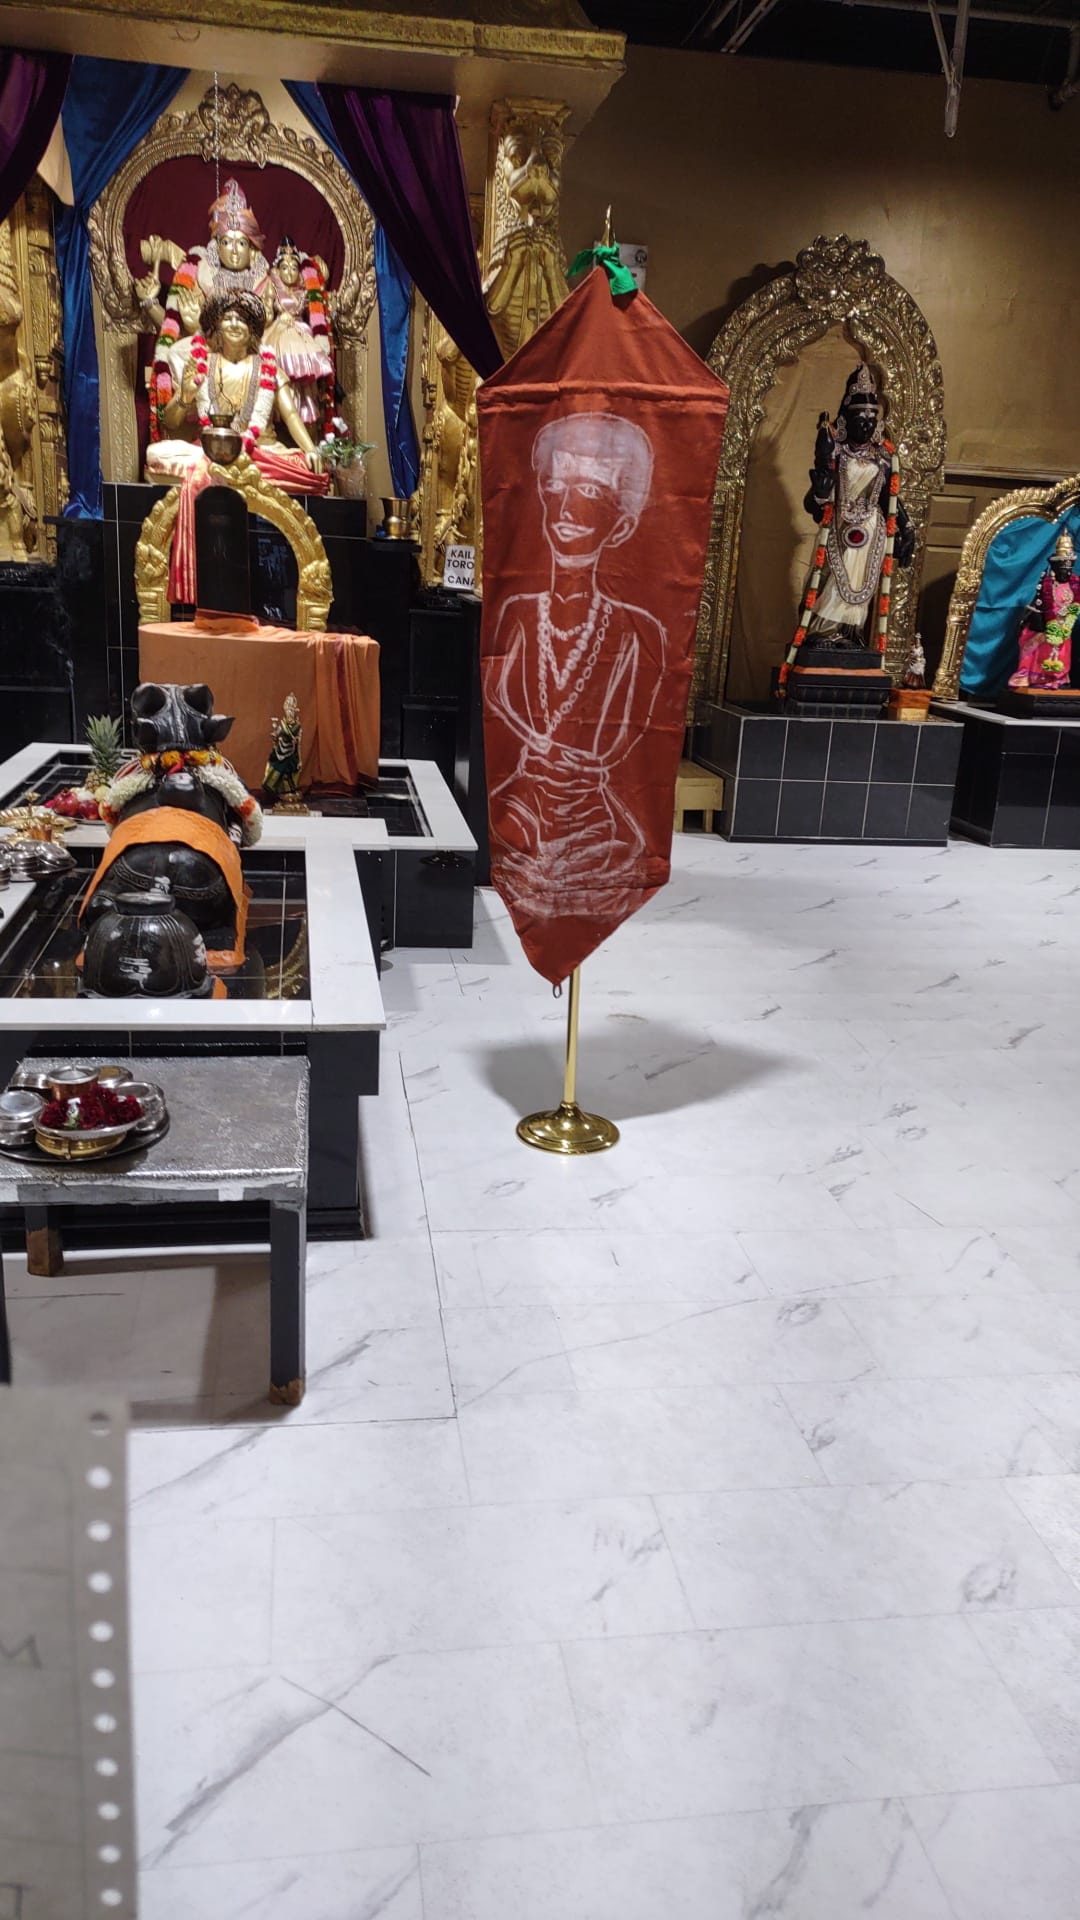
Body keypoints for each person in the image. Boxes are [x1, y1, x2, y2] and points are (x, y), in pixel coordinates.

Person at [485, 410, 666, 920]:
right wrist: (542, 753)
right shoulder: (517, 613)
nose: (565, 509)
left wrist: (573, 765)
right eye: (555, 488)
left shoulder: (640, 633)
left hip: (595, 822)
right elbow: (497, 695)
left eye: (589, 493)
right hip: (519, 808)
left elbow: (629, 730)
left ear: (622, 524)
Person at [145, 291, 324, 491]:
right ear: (217, 327)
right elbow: (170, 422)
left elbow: (291, 415)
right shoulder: (201, 365)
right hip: (210, 452)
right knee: (156, 454)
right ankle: (234, 477)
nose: (234, 324)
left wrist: (309, 448)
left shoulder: (269, 368)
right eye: (228, 319)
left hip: (261, 452)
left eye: (242, 320)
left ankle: (229, 477)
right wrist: (186, 395)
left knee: (304, 465)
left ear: (252, 329)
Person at [793, 362, 914, 651]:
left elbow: (890, 500)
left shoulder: (883, 458)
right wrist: (821, 494)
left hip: (871, 530)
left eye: (872, 419)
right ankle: (822, 632)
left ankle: (850, 633)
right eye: (861, 418)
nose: (867, 425)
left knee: (861, 585)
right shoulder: (835, 451)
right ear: (846, 419)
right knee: (831, 581)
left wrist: (907, 526)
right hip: (838, 526)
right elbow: (813, 502)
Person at [265, 237, 333, 430]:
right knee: (282, 373)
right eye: (285, 268)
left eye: (294, 268)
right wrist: (277, 315)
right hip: (279, 331)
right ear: (277, 269)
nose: (289, 272)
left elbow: (318, 306)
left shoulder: (304, 289)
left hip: (301, 332)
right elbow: (266, 313)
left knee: (305, 381)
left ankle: (304, 419)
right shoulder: (272, 286)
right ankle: (281, 414)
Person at [1009, 527, 1080, 691]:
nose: (1066, 573)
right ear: (1055, 569)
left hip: (1064, 628)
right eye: (1062, 570)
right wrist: (1049, 622)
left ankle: (1058, 679)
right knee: (1038, 651)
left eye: (1068, 570)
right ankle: (1034, 677)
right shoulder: (1047, 585)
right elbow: (1042, 604)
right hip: (1046, 627)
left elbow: (1075, 605)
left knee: (1062, 653)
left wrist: (1067, 622)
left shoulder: (1074, 585)